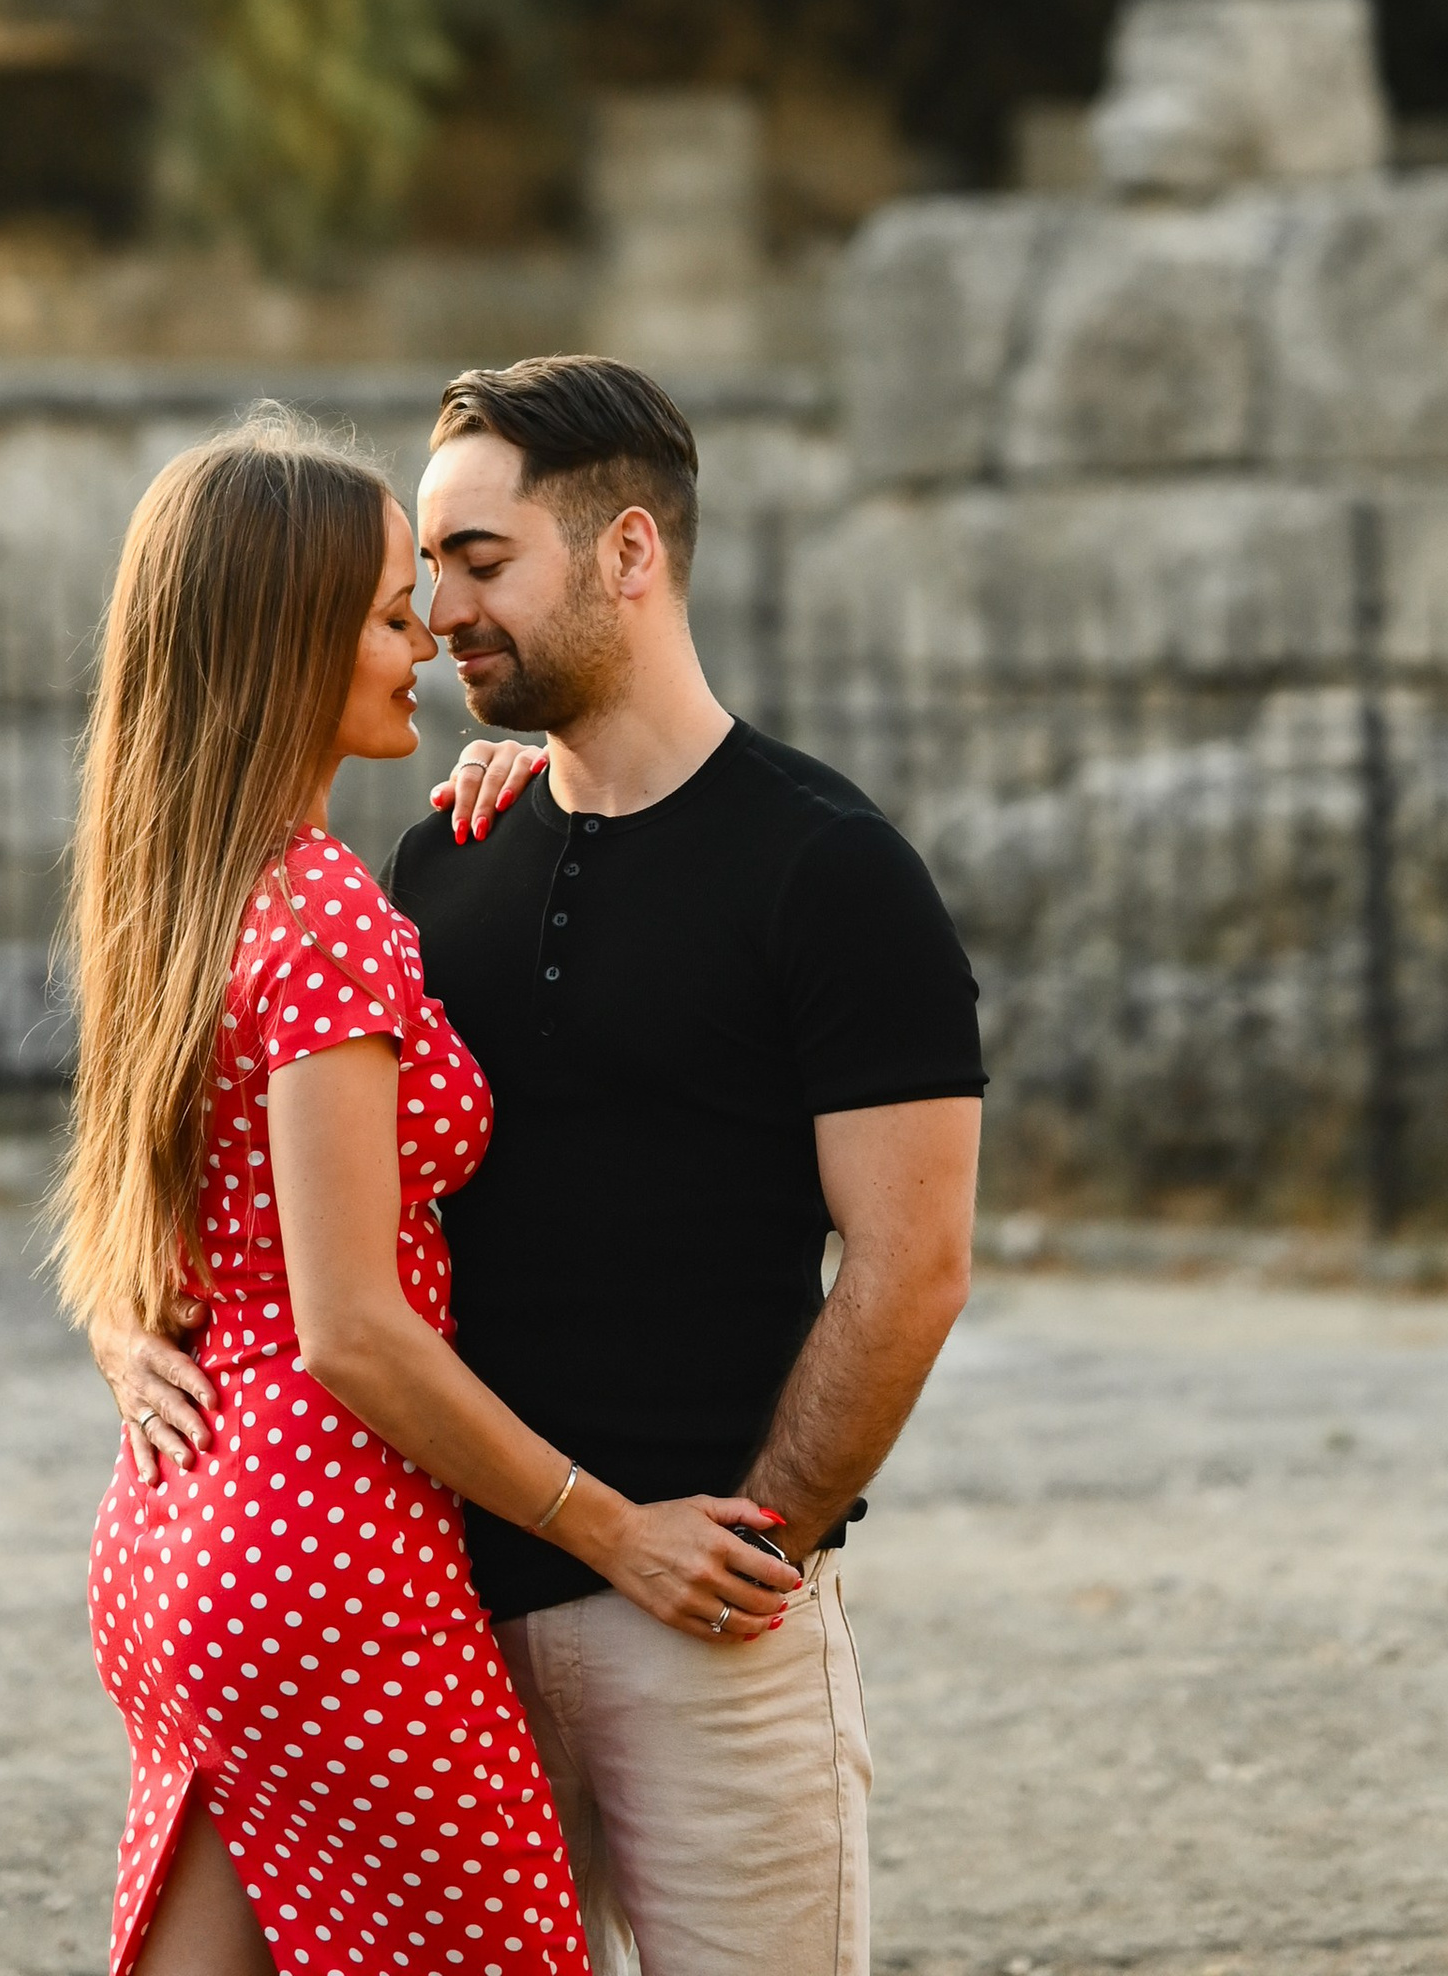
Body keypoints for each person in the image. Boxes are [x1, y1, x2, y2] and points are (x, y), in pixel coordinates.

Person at [98, 359, 984, 1976]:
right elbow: (248, 1158)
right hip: (435, 1598)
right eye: (421, 574)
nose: (436, 616)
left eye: (478, 562)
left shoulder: (832, 871)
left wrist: (758, 1541)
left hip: (699, 1615)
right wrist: (135, 1326)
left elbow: (915, 1265)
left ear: (629, 555)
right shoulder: (445, 851)